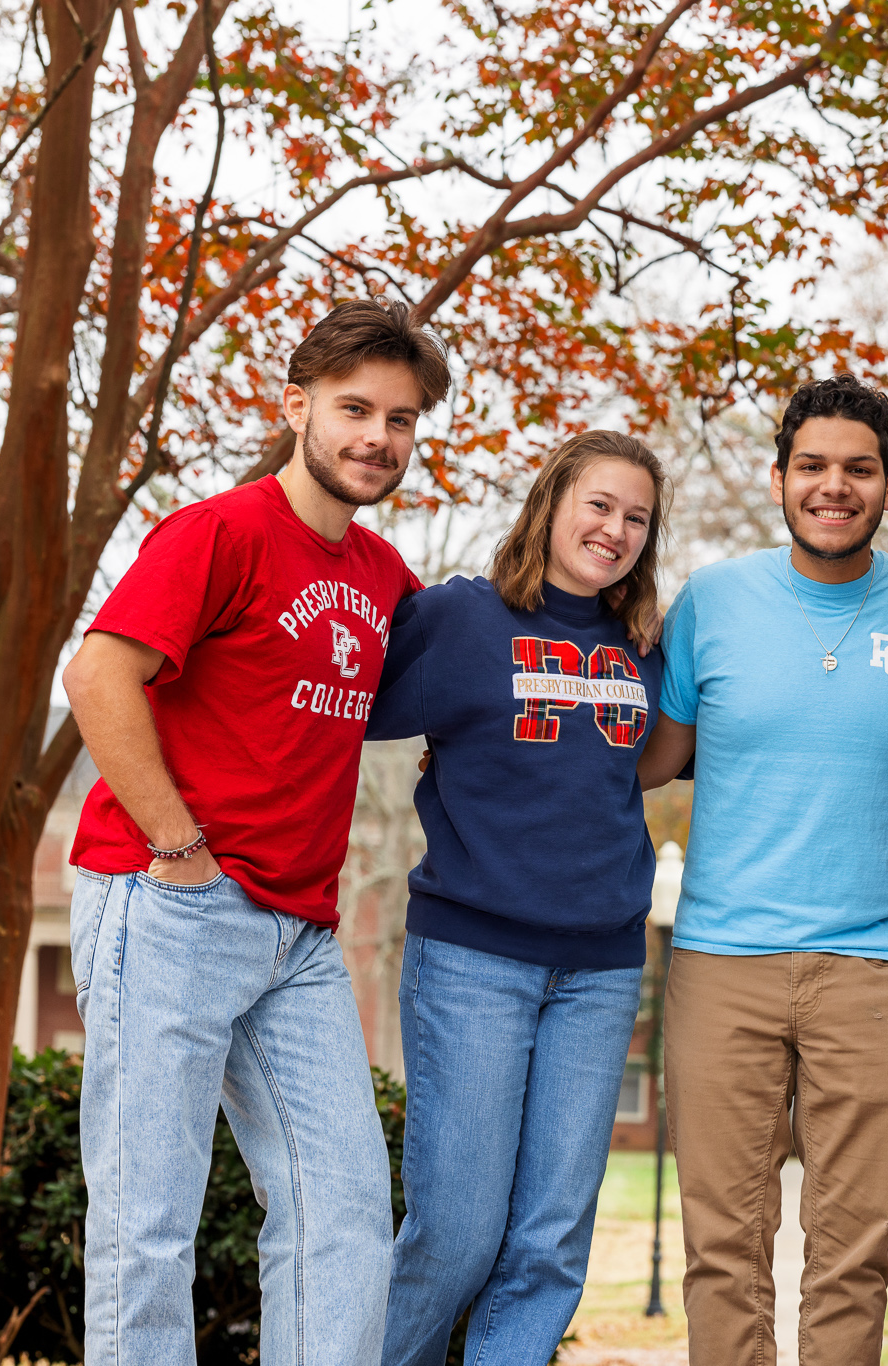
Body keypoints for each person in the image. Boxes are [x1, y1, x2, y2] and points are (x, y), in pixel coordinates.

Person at [61, 299, 451, 1364]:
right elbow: (97, 675)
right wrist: (179, 849)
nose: (378, 437)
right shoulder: (219, 532)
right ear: (295, 407)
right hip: (170, 903)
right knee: (147, 1224)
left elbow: (440, 685)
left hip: (299, 932)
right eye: (354, 409)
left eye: (400, 419)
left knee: (345, 1212)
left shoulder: (380, 574)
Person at [636, 374, 888, 1366]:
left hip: (872, 969)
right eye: (813, 466)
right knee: (722, 1250)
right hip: (719, 963)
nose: (835, 486)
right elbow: (655, 758)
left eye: (858, 469)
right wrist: (491, 742)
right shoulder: (712, 601)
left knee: (851, 1255)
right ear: (779, 476)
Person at [367, 430, 668, 1366]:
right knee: (455, 1235)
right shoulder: (459, 619)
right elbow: (335, 702)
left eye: (637, 518)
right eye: (599, 505)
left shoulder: (646, 647)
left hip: (601, 968)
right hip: (472, 960)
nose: (615, 530)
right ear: (550, 505)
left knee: (549, 1245)